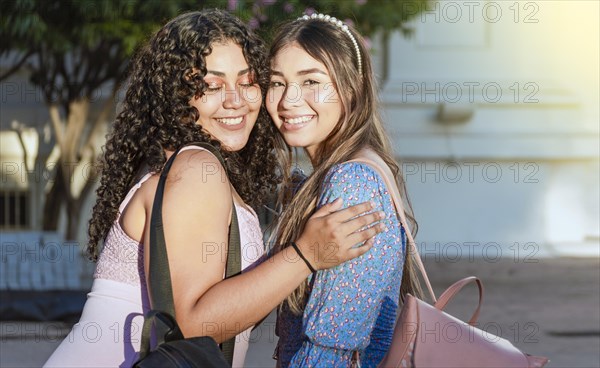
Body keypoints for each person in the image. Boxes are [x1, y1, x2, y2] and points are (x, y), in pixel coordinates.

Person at [44, 9, 386, 368]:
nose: (236, 100)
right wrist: (305, 254)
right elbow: (192, 325)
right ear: (176, 96)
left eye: (248, 80)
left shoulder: (192, 164)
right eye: (211, 85)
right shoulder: (195, 168)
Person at [266, 13, 423, 367]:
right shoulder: (334, 175)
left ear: (351, 87)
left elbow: (331, 348)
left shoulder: (351, 183)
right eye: (277, 82)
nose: (288, 99)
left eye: (311, 82)